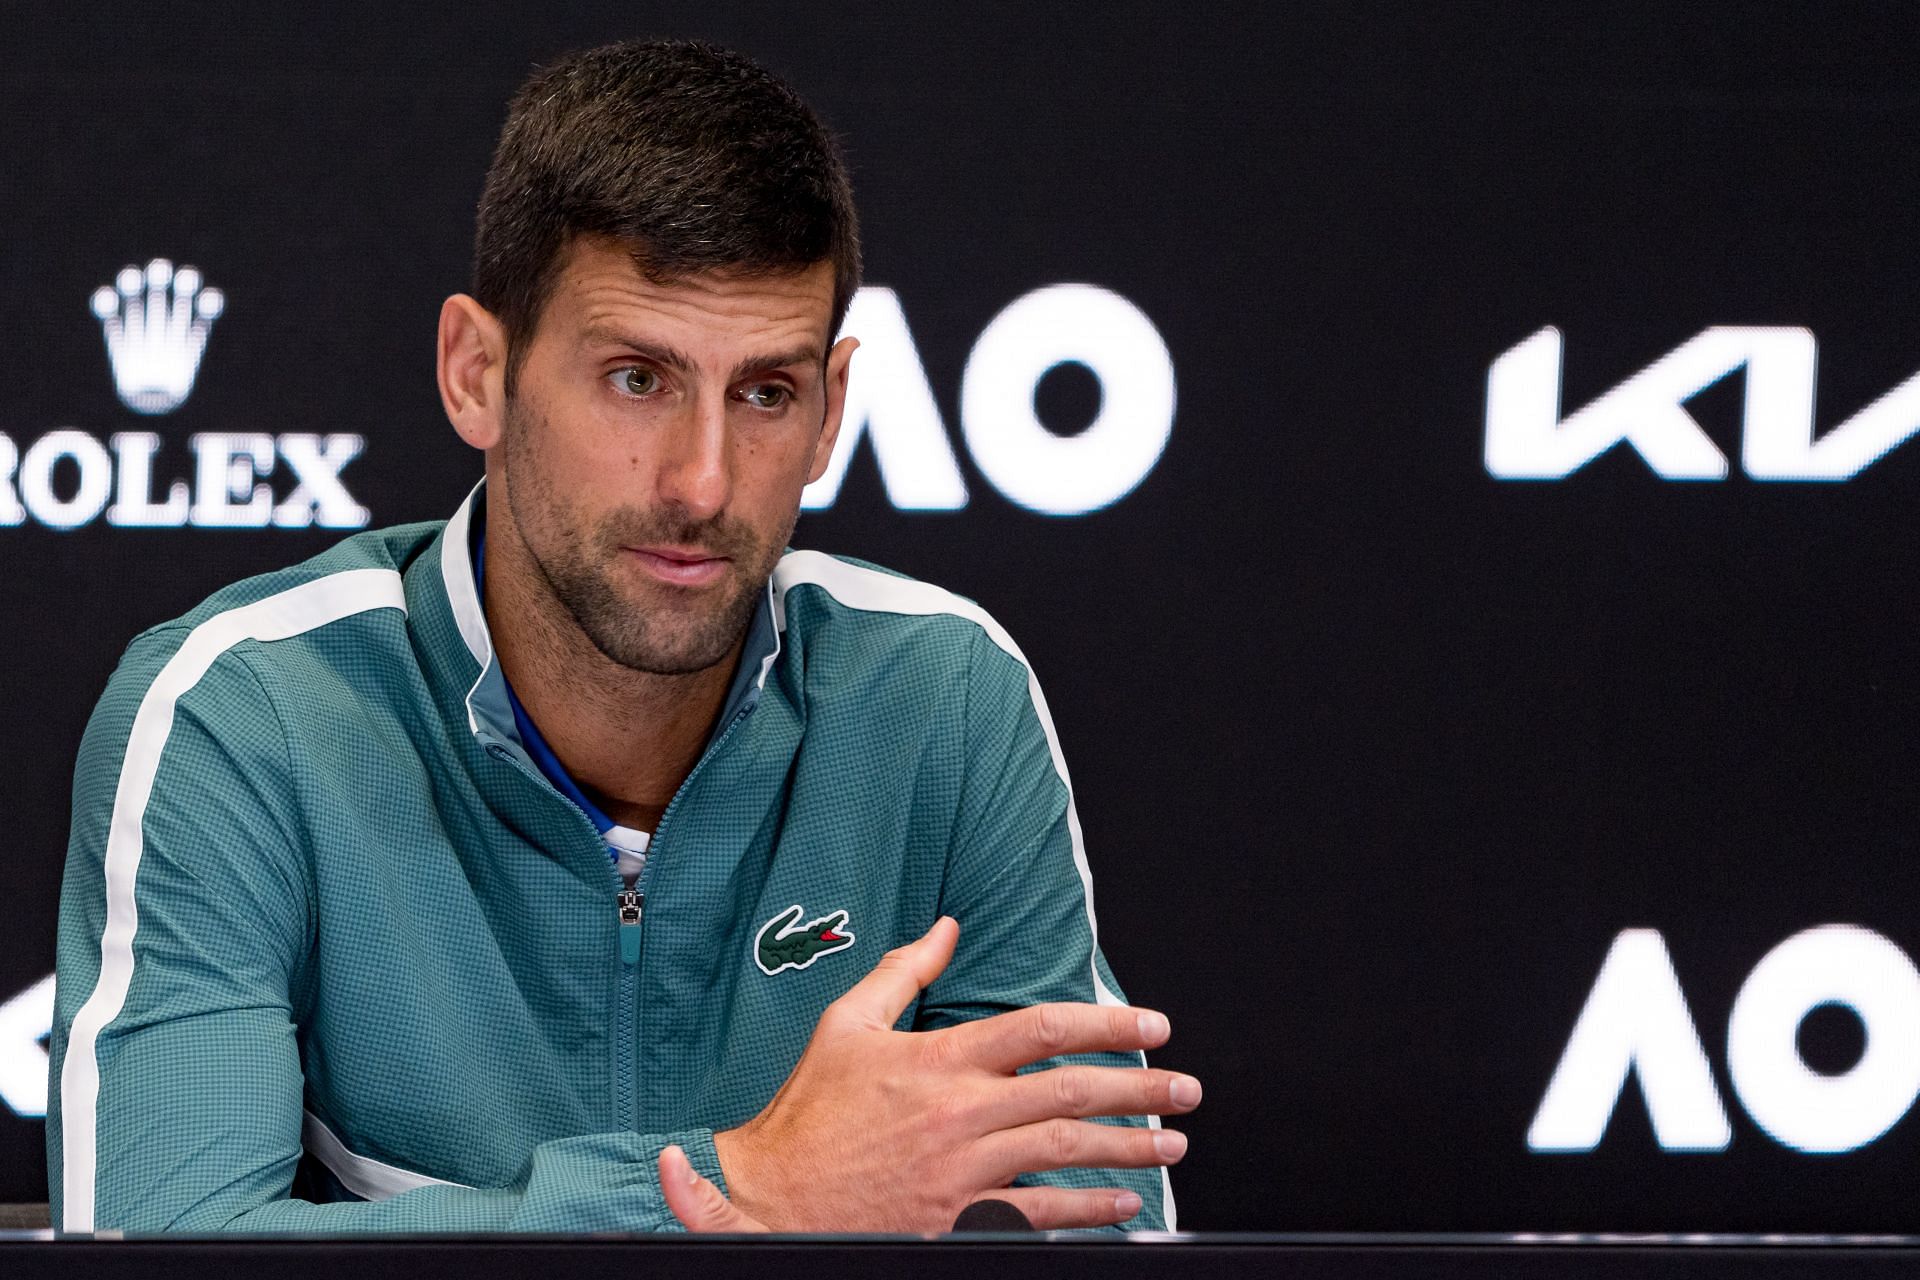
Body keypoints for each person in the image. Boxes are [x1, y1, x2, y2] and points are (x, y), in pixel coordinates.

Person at [45, 38, 1196, 1235]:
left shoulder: (943, 700)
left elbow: (1091, 1221)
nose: (702, 481)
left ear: (832, 409)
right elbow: (163, 1243)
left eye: (765, 392)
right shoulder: (244, 718)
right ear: (476, 371)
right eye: (638, 378)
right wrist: (744, 1183)